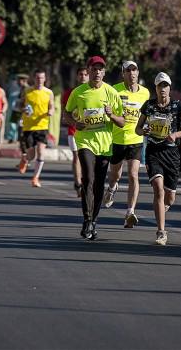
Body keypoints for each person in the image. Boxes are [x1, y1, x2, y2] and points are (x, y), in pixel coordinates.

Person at [66, 55, 125, 240]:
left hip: (105, 144)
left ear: (104, 72)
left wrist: (112, 115)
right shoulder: (79, 92)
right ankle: (87, 219)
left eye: (101, 69)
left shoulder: (111, 92)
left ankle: (94, 220)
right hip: (85, 141)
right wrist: (76, 123)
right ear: (88, 70)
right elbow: (67, 114)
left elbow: (122, 121)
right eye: (94, 69)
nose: (97, 72)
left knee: (99, 185)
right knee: (88, 179)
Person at [136, 72, 181, 246]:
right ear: (155, 88)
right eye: (160, 86)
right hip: (154, 153)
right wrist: (144, 131)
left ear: (170, 88)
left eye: (165, 86)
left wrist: (176, 134)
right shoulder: (149, 106)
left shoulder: (177, 106)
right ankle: (161, 232)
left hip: (171, 155)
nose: (163, 89)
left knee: (170, 198)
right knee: (158, 190)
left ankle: (164, 206)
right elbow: (137, 129)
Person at [103, 60, 149, 227]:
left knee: (133, 175)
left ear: (138, 73)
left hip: (136, 139)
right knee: (115, 175)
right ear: (123, 74)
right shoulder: (115, 90)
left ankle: (130, 212)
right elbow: (109, 112)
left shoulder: (145, 93)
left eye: (134, 70)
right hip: (117, 139)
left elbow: (146, 114)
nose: (132, 74)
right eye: (128, 71)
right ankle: (112, 188)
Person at [18, 68, 54, 188]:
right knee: (31, 155)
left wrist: (50, 111)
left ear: (45, 79)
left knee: (41, 153)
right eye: (37, 77)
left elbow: (52, 106)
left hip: (43, 126)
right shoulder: (27, 91)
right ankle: (25, 159)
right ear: (34, 78)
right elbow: (20, 105)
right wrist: (23, 110)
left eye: (42, 78)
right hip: (28, 126)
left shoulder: (49, 92)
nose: (39, 80)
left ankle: (35, 178)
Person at [62, 66, 89, 195]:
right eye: (81, 74)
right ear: (77, 76)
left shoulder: (94, 92)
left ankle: (86, 181)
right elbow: (65, 113)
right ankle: (78, 183)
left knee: (88, 159)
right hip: (73, 130)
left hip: (90, 132)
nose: (83, 77)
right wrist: (73, 120)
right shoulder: (70, 93)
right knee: (77, 156)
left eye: (85, 74)